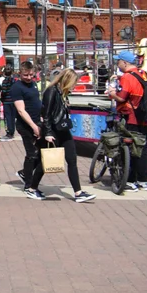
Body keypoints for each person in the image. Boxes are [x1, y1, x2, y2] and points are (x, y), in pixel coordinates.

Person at [39, 68, 96, 202]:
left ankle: (78, 192)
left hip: (63, 129)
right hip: (54, 131)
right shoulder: (52, 91)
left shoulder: (63, 93)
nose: (74, 86)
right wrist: (47, 132)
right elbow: (46, 114)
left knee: (72, 159)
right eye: (73, 83)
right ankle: (32, 187)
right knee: (47, 162)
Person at [108, 50, 147, 192]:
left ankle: (129, 180)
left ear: (125, 62)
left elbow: (122, 97)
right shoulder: (143, 74)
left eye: (118, 61)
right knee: (143, 148)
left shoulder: (127, 77)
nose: (118, 63)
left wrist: (111, 93)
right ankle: (142, 181)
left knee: (129, 149)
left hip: (131, 117)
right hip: (145, 117)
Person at [10, 61, 44, 192]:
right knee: (32, 154)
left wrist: (41, 120)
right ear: (20, 73)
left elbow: (37, 102)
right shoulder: (17, 87)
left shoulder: (34, 84)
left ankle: (25, 173)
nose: (29, 78)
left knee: (40, 153)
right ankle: (29, 184)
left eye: (31, 75)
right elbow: (21, 110)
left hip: (37, 121)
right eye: (26, 75)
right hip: (26, 125)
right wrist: (34, 126)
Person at [0, 66, 16, 139]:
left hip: (6, 101)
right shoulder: (14, 81)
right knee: (13, 118)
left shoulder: (5, 81)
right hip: (14, 101)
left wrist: (2, 98)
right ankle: (12, 131)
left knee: (8, 118)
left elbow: (4, 91)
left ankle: (9, 132)